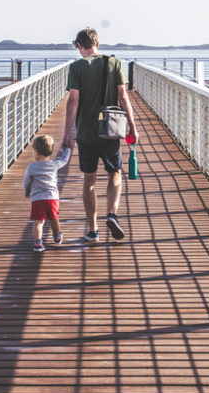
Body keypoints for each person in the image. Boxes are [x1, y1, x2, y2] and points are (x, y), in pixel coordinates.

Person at [62, 28, 139, 242]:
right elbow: (123, 96)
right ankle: (112, 214)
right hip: (111, 129)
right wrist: (132, 125)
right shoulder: (114, 63)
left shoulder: (76, 67)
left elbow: (73, 100)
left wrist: (67, 132)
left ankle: (93, 230)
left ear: (79, 45)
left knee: (90, 179)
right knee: (115, 173)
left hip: (86, 131)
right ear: (97, 42)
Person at [23, 134, 71, 252]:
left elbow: (26, 181)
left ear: (36, 151)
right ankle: (57, 236)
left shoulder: (32, 167)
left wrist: (27, 191)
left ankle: (38, 243)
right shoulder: (54, 164)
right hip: (52, 198)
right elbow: (64, 160)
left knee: (38, 223)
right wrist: (68, 148)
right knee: (54, 218)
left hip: (38, 199)